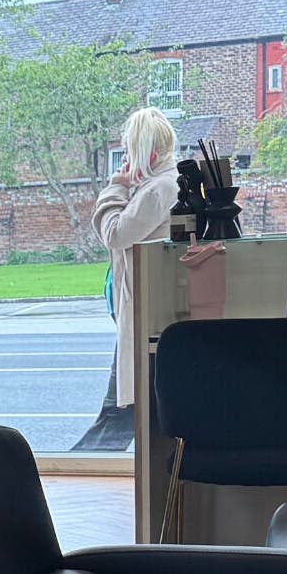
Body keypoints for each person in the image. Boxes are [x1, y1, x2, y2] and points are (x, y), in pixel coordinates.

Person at [92, 106, 179, 410]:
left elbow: (115, 233)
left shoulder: (158, 190)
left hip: (144, 314)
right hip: (141, 311)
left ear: (149, 153)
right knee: (125, 407)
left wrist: (116, 185)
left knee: (121, 409)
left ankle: (89, 456)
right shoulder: (158, 185)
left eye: (130, 150)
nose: (126, 160)